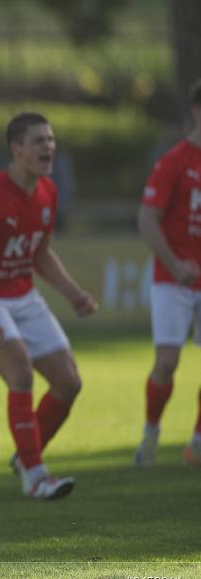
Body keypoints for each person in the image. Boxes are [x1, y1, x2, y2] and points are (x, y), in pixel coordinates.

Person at [0, 112, 97, 501]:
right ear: (16, 151)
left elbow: (40, 253)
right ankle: (35, 475)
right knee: (20, 370)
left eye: (50, 140)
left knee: (69, 383)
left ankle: (25, 457)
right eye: (38, 141)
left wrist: (74, 294)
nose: (48, 147)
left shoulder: (47, 191)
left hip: (22, 296)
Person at [134, 80, 201, 467]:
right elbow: (147, 218)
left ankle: (198, 441)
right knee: (167, 362)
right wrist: (176, 265)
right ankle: (151, 432)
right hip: (172, 278)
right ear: (196, 111)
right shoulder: (175, 161)